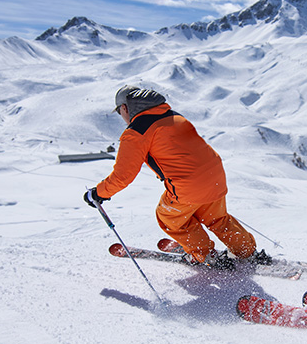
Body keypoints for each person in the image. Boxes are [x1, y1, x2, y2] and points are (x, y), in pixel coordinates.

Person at [84, 85, 271, 269]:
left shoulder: (136, 132)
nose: (121, 116)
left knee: (169, 217)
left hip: (188, 186)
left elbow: (123, 175)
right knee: (217, 218)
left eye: (119, 112)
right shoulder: (173, 116)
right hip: (215, 176)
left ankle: (205, 255)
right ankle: (246, 250)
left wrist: (98, 193)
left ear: (125, 108)